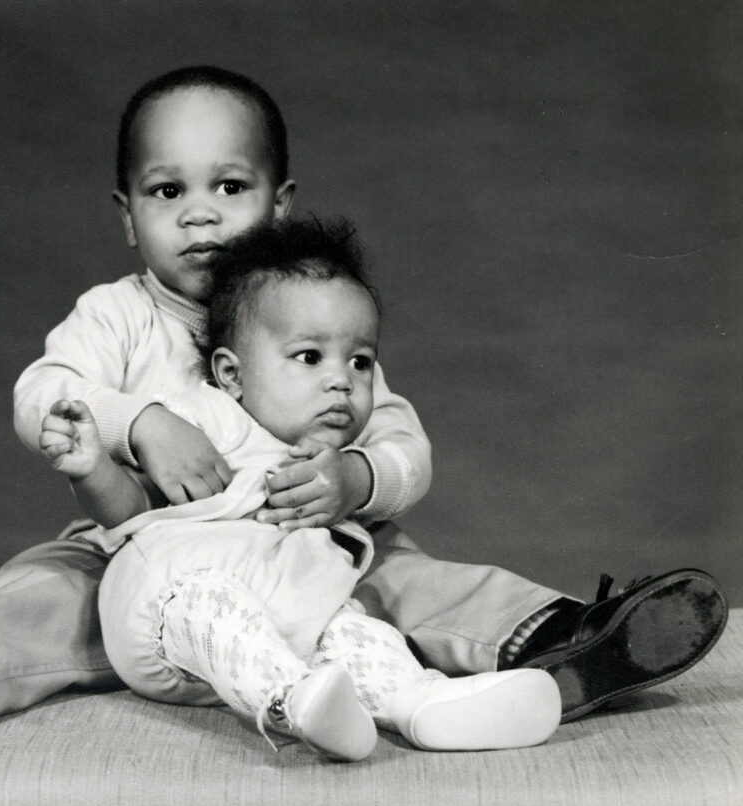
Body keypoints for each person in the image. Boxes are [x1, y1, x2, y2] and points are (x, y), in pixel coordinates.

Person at [0, 65, 727, 744]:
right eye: (166, 190)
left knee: (415, 577)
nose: (198, 212)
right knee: (45, 592)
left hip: (304, 547)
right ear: (126, 214)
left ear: (278, 200)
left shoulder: (310, 309)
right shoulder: (118, 316)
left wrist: (355, 476)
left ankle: (559, 642)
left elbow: (402, 438)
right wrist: (134, 419)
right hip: (140, 550)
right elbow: (41, 392)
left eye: (229, 185)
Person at [43, 217, 562, 761]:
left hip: (296, 615)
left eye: (360, 361)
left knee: (354, 631)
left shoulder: (334, 464)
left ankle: (424, 706)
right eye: (310, 357)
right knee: (212, 603)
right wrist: (92, 471)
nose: (342, 380)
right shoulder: (206, 423)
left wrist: (355, 478)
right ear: (232, 374)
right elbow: (131, 509)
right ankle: (294, 702)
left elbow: (406, 458)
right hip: (168, 616)